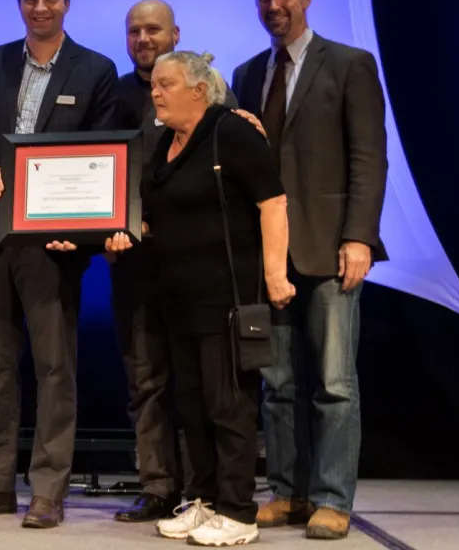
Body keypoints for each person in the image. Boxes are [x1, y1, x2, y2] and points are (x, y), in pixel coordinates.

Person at [0, 0, 118, 529]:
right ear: (18, 3)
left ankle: (48, 489)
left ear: (67, 3)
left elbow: (104, 155)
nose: (39, 7)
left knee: (54, 369)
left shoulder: (96, 69)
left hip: (55, 244)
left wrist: (84, 225)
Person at [231, 0, 388, 540]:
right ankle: (288, 493)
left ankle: (331, 497)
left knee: (335, 384)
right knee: (280, 385)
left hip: (330, 248)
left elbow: (369, 158)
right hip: (269, 255)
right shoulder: (249, 73)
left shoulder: (349, 64)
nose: (275, 6)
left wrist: (359, 237)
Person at [127, 50, 294, 546]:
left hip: (227, 298)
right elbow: (156, 211)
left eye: (166, 84)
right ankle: (201, 502)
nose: (155, 92)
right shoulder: (165, 142)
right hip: (177, 300)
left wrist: (275, 275)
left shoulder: (232, 131)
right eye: (153, 84)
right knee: (192, 407)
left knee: (230, 408)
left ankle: (238, 512)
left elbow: (273, 204)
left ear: (199, 90)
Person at [109, 0, 253, 523]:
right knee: (147, 381)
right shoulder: (116, 94)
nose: (143, 39)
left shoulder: (213, 95)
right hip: (135, 265)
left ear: (176, 34)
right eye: (134, 31)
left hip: (199, 271)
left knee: (206, 391)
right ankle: (158, 485)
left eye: (153, 29)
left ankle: (203, 492)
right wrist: (104, 226)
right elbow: (99, 165)